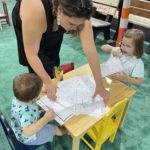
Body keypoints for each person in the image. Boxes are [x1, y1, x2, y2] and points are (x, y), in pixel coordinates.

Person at [12, 0, 109, 101]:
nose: (75, 28)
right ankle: (39, 97)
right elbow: (32, 54)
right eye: (71, 23)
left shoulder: (82, 9)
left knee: (52, 56)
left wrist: (99, 85)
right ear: (59, 10)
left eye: (79, 24)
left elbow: (90, 50)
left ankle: (50, 83)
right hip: (32, 16)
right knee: (38, 67)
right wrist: (48, 82)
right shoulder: (35, 8)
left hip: (56, 19)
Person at [11, 73, 66, 147]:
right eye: (40, 89)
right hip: (29, 137)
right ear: (34, 96)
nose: (42, 88)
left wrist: (41, 90)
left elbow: (31, 93)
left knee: (47, 112)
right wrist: (45, 119)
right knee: (53, 129)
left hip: (25, 123)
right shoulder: (25, 113)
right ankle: (67, 131)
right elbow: (28, 132)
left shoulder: (20, 96)